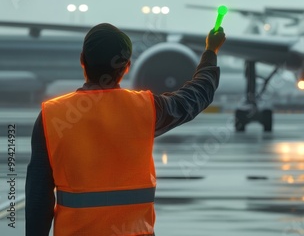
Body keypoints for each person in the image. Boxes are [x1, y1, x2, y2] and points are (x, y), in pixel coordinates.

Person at [25, 23, 226, 236]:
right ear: (127, 66)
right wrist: (210, 51)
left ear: (82, 60)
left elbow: (39, 198)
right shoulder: (146, 109)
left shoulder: (52, 115)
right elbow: (197, 95)